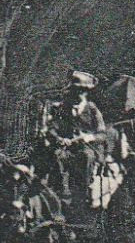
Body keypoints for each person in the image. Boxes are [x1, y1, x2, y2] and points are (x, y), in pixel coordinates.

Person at [46, 70, 108, 209]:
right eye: (76, 91)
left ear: (87, 93)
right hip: (68, 147)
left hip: (88, 147)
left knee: (86, 156)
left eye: (82, 91)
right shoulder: (64, 108)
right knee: (58, 156)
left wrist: (89, 137)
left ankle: (82, 193)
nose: (79, 94)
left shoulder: (92, 109)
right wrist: (60, 138)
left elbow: (102, 134)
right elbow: (52, 128)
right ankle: (62, 193)